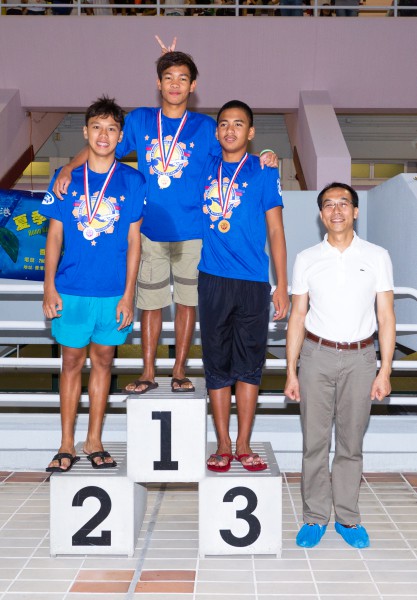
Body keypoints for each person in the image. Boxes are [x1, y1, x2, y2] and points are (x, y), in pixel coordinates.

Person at [52, 38, 278, 396]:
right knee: (150, 305)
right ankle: (147, 372)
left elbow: (236, 148)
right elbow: (102, 144)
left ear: (193, 85)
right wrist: (68, 166)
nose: (175, 83)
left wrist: (266, 152)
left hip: (193, 231)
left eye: (183, 77)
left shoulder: (206, 127)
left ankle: (178, 370)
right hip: (149, 231)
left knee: (188, 303)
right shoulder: (140, 119)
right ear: (158, 83)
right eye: (168, 77)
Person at [284, 182, 395, 548]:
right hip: (316, 357)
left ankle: (347, 519)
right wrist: (291, 370)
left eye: (343, 204)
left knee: (350, 443)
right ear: (321, 214)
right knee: (314, 442)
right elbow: (297, 316)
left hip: (362, 359)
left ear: (355, 211)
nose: (336, 210)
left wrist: (384, 370)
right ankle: (315, 517)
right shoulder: (306, 259)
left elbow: (386, 315)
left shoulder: (377, 256)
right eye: (328, 205)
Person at [41, 96, 145, 472]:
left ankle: (94, 439)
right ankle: (66, 443)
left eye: (112, 129)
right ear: (86, 132)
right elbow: (53, 237)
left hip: (112, 292)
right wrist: (48, 286)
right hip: (70, 289)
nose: (104, 135)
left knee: (103, 362)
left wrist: (129, 294)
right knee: (71, 363)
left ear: (120, 136)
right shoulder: (64, 179)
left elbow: (135, 242)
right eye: (97, 127)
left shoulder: (133, 180)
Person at [199, 100, 289, 473]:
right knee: (216, 362)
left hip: (253, 281)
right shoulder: (205, 166)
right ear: (217, 132)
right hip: (212, 279)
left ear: (250, 133)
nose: (231, 130)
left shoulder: (264, 171)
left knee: (249, 364)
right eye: (224, 124)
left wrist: (281, 284)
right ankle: (222, 443)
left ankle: (244, 442)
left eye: (239, 124)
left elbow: (275, 229)